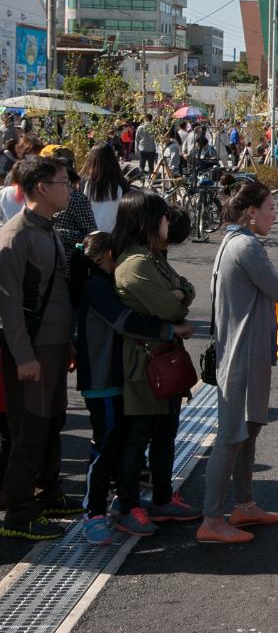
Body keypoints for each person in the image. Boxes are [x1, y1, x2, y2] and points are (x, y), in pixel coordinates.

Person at [199, 181, 278, 544]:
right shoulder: (246, 246)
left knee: (248, 430)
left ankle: (244, 504)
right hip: (242, 352)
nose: (275, 214)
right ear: (251, 212)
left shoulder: (235, 241)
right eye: (270, 208)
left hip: (243, 349)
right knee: (232, 434)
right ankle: (211, 518)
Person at [75, 231, 192, 545]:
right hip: (103, 380)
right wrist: (170, 328)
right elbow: (125, 321)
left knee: (122, 442)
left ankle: (120, 504)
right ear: (108, 256)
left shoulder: (104, 282)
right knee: (106, 444)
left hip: (118, 378)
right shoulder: (96, 286)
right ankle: (93, 513)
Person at [112, 190, 202, 537]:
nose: (168, 220)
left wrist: (179, 293)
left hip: (162, 361)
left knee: (166, 433)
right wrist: (177, 297)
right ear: (144, 221)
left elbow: (186, 290)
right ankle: (129, 505)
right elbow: (172, 308)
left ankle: (163, 498)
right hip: (144, 365)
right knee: (139, 437)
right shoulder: (135, 262)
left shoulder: (152, 257)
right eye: (163, 215)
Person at [0, 158, 79, 540]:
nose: (70, 188)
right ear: (42, 188)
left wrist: (67, 343)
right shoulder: (15, 237)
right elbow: (8, 304)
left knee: (51, 424)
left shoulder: (48, 229)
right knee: (28, 429)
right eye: (64, 182)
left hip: (54, 346)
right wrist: (24, 356)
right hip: (31, 352)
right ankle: (18, 511)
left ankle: (48, 492)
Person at [52, 154, 97, 257]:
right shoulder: (47, 196)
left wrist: (58, 234)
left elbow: (90, 234)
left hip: (69, 261)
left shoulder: (78, 199)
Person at [82, 142, 129, 233]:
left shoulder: (84, 182)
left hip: (89, 236)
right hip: (113, 237)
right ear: (112, 159)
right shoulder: (121, 183)